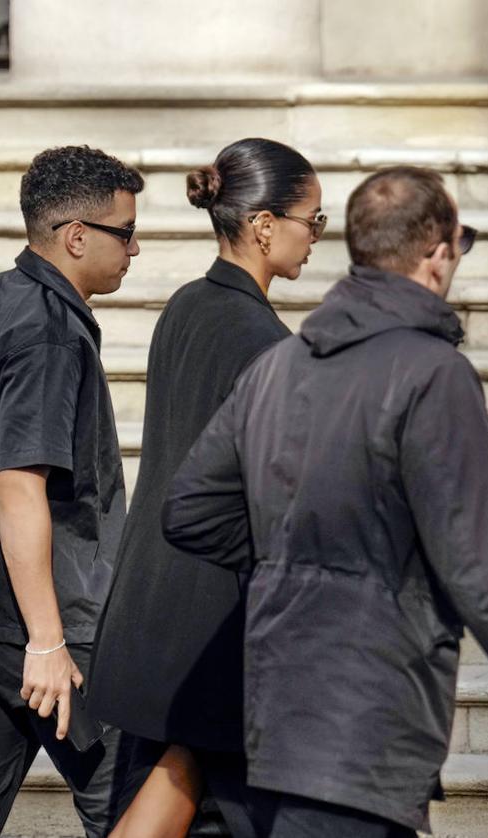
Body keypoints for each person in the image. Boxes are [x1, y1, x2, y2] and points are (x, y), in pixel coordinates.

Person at [162, 166, 488, 838]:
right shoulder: (434, 375)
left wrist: (289, 560)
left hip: (274, 714)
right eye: (463, 243)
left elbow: (189, 509)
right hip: (364, 727)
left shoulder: (277, 367)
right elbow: (482, 575)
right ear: (436, 255)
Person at [88, 138, 325, 838]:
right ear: (262, 224)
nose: (316, 238)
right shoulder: (269, 345)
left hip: (149, 611)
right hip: (217, 632)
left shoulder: (186, 306)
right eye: (312, 220)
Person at [0, 145, 144, 838]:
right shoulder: (46, 330)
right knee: (131, 811)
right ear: (77, 237)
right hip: (53, 634)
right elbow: (18, 485)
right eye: (126, 233)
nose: (136, 249)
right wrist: (47, 639)